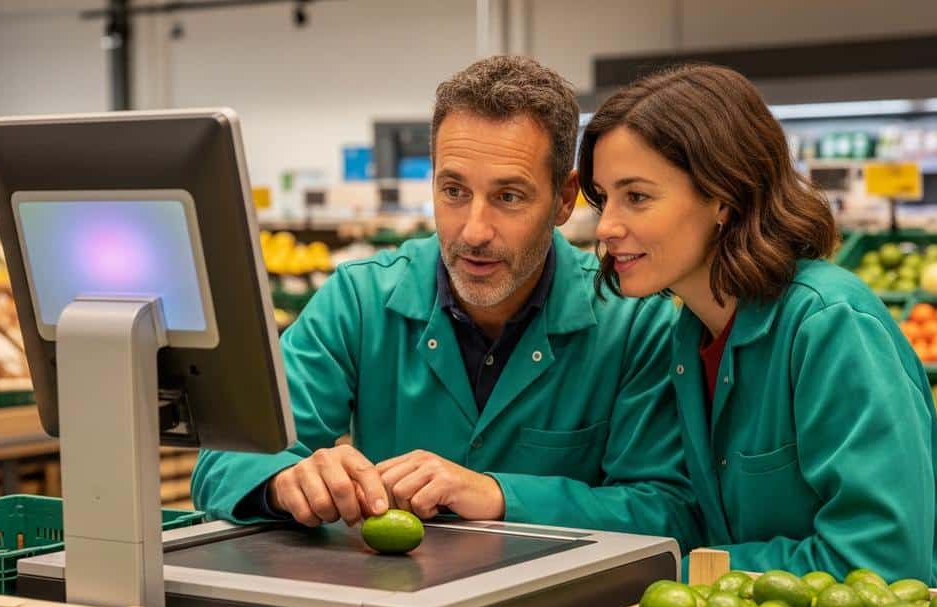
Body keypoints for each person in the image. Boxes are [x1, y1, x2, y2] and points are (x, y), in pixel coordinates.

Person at [192, 56, 700, 547]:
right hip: (393, 595)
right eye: (454, 191)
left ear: (565, 199)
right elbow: (222, 463)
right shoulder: (360, 301)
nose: (474, 232)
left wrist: (500, 495)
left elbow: (668, 508)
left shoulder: (634, 322)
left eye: (508, 197)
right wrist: (285, 482)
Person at [578, 63, 937, 587]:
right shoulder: (690, 334)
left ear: (722, 195)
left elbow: (882, 561)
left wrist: (678, 575)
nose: (606, 226)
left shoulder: (830, 325)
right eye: (602, 197)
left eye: (637, 197)